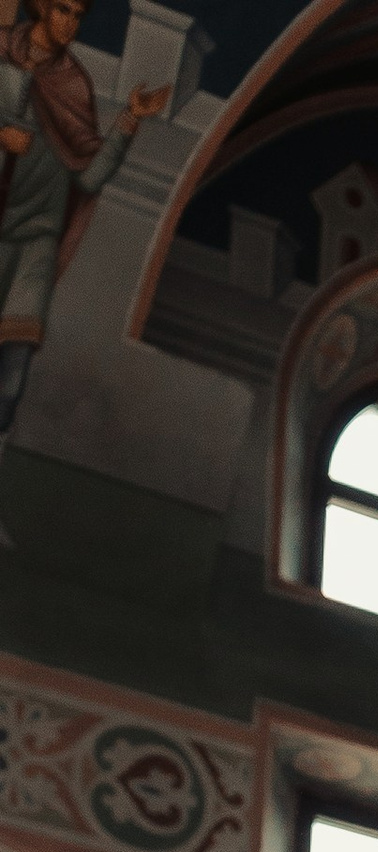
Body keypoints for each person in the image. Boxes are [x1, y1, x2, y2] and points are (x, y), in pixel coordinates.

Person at [0, 6, 168, 501]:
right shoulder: (3, 56)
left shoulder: (73, 84)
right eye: (63, 9)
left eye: (78, 14)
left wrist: (129, 121)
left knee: (11, 374)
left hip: (35, 241)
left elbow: (90, 175)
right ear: (42, 6)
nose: (71, 23)